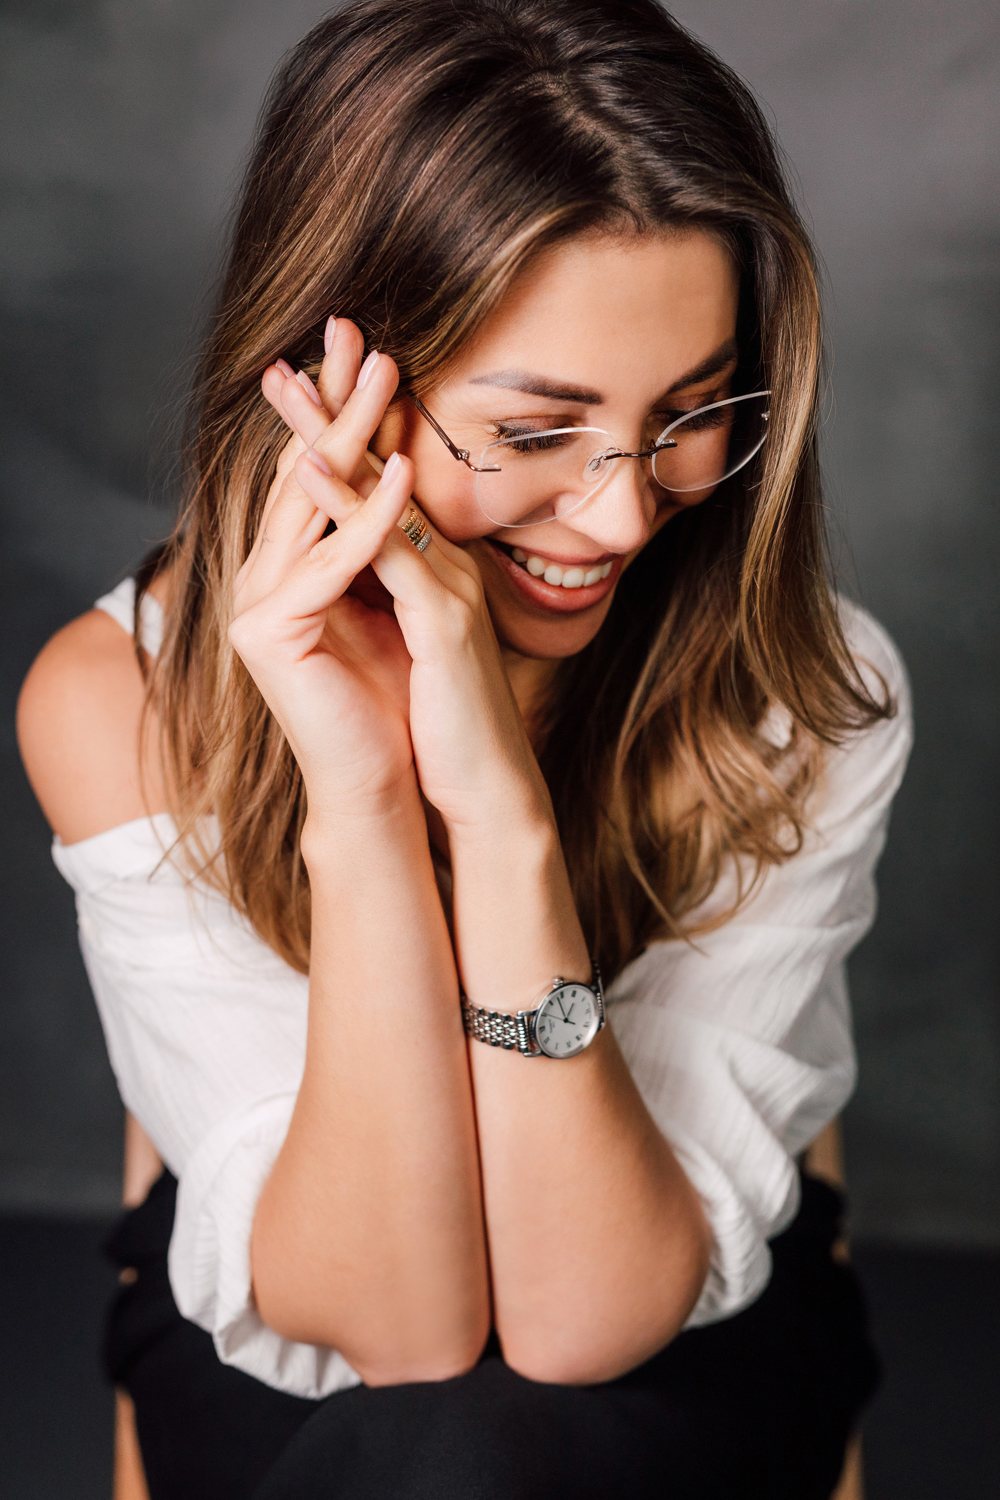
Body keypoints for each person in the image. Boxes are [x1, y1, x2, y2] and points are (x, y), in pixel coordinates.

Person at [16, 1, 914, 1496]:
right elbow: (400, 1327)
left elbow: (580, 1318)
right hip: (297, 1311)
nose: (621, 516)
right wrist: (365, 795)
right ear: (335, 386)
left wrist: (498, 814)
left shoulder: (798, 690)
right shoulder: (122, 701)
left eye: (691, 412)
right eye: (536, 431)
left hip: (681, 1300)